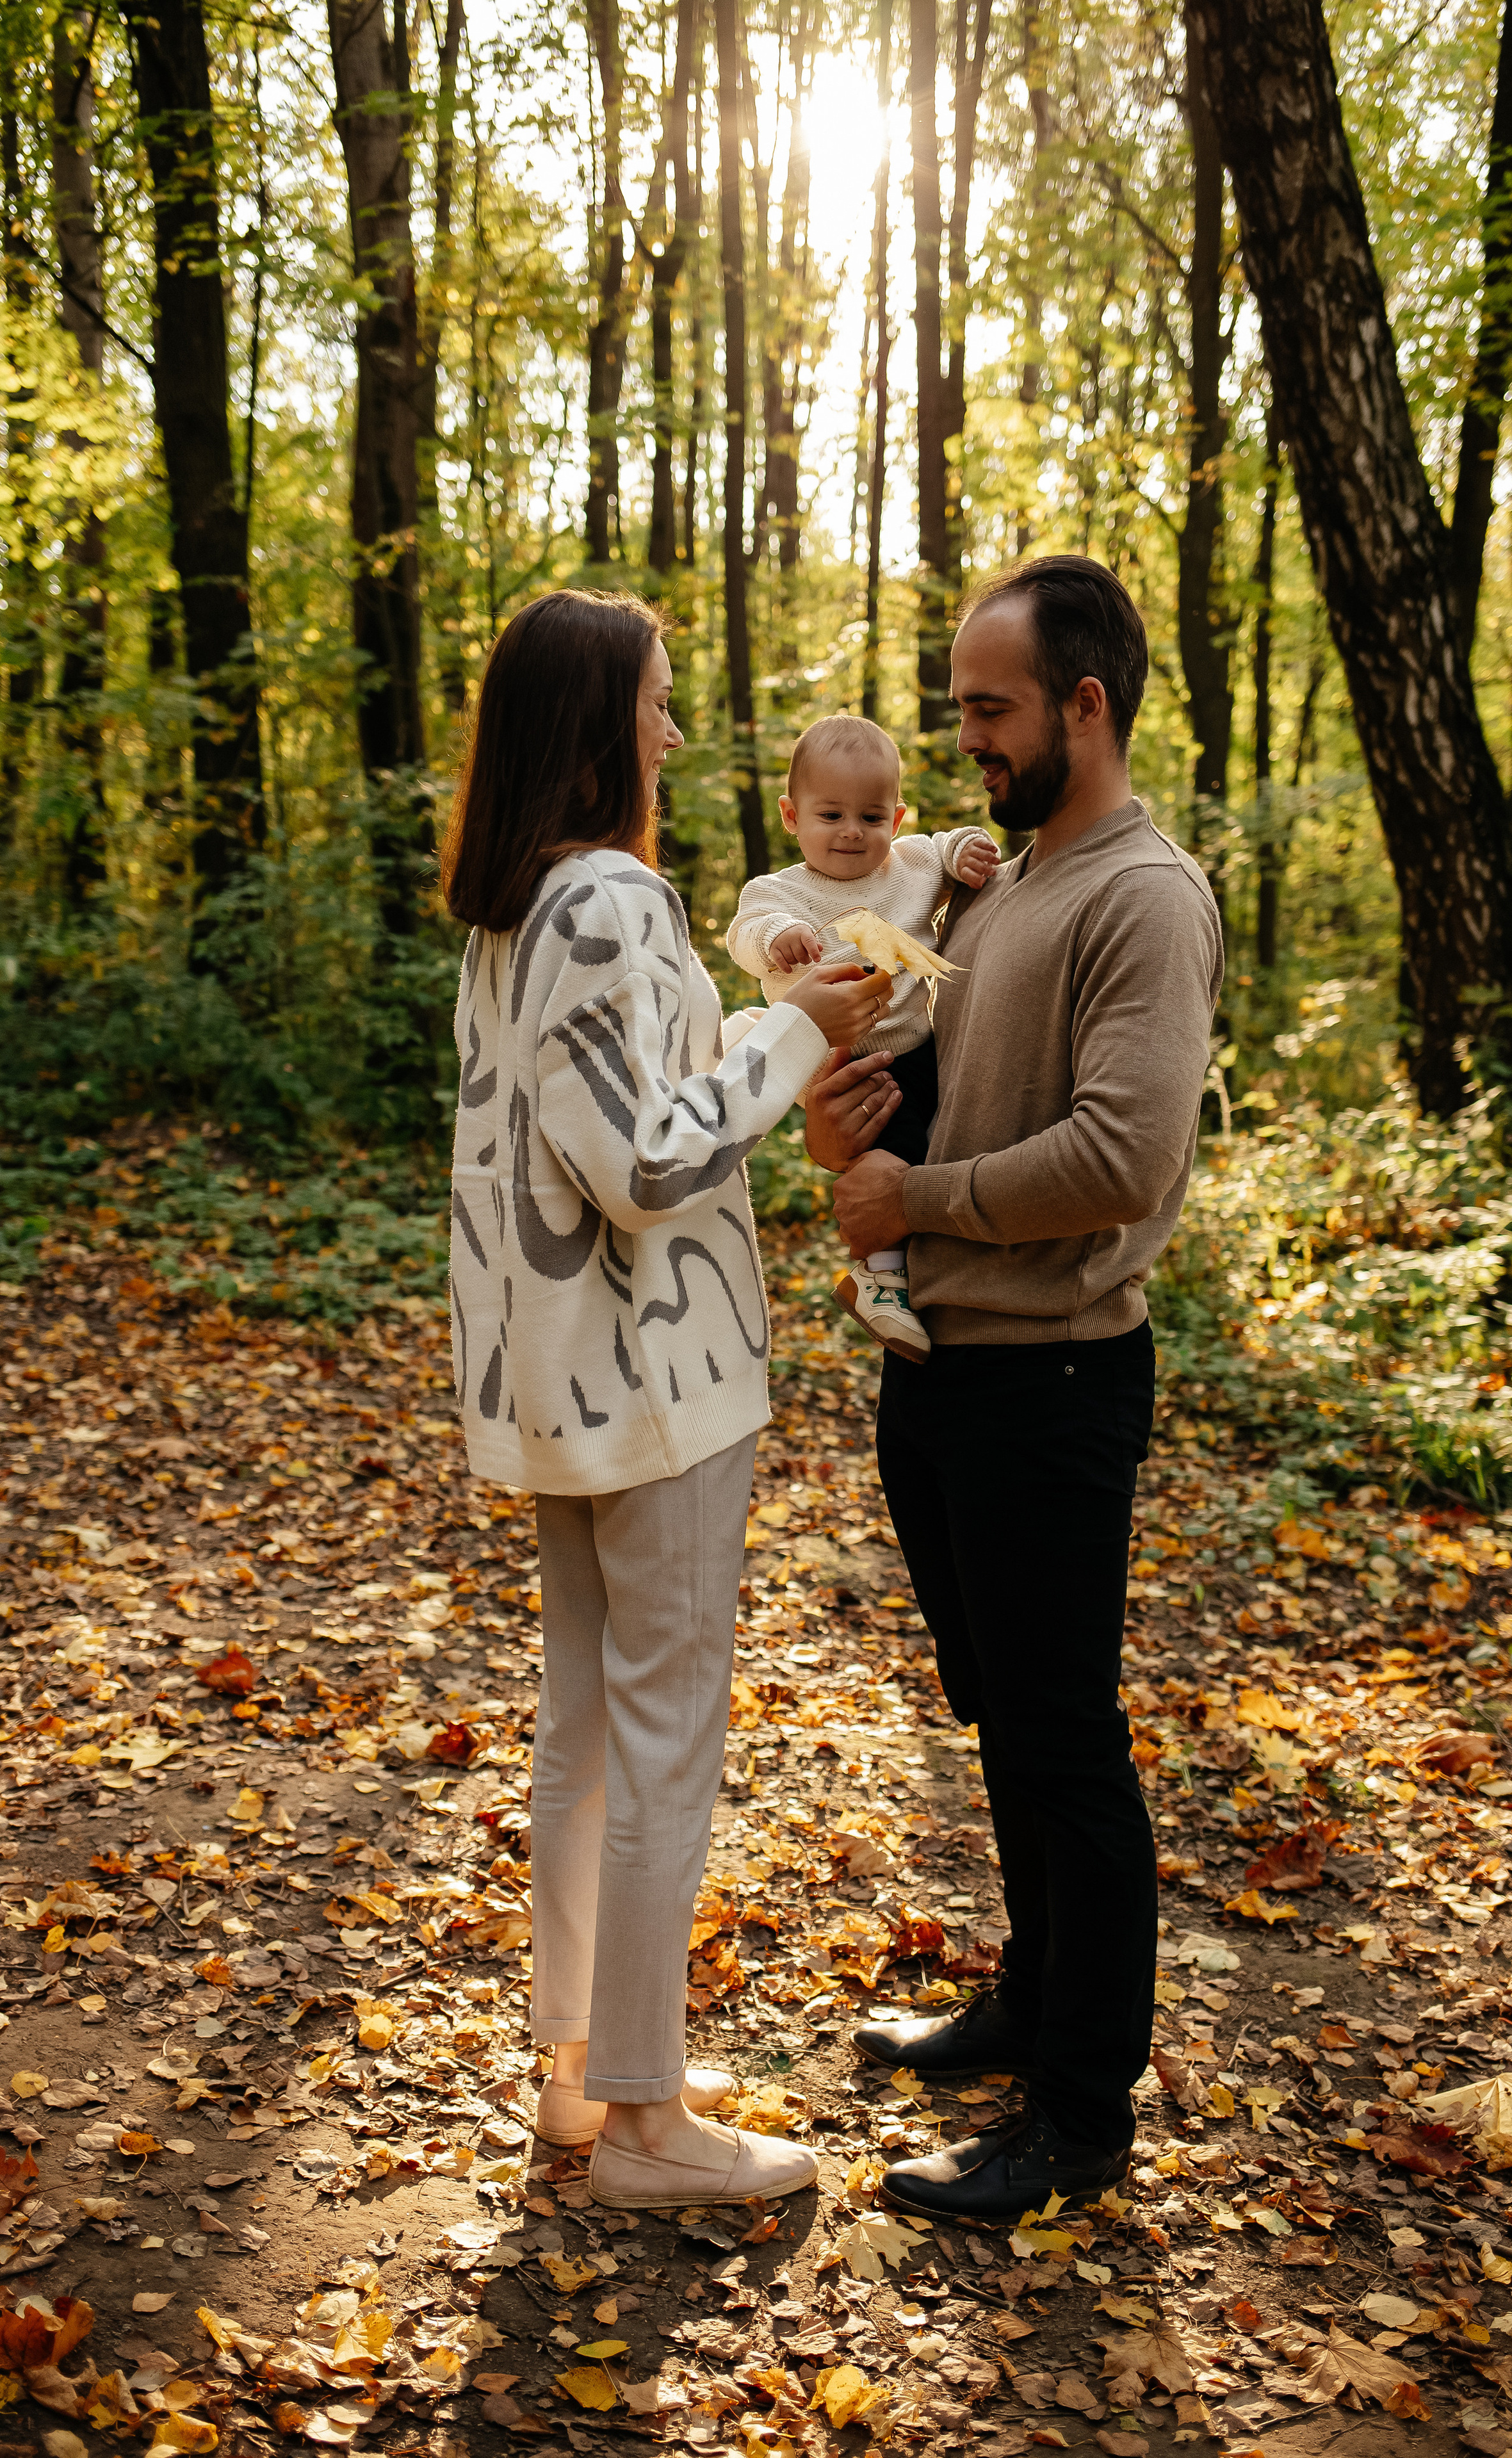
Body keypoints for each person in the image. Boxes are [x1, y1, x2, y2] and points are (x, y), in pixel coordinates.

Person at [443, 587, 891, 2211]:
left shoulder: (514, 905)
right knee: (659, 1745)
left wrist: (770, 1020)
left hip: (563, 1388)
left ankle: (580, 2068)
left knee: (586, 1735)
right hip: (658, 1385)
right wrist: (799, 1027)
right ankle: (642, 2126)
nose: (675, 734)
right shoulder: (610, 900)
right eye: (655, 704)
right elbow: (644, 1165)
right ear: (594, 729)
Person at [802, 555, 1223, 2222]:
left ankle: (1079, 2111)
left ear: (1085, 703)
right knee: (1006, 1720)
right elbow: (935, 1086)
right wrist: (860, 1122)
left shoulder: (1144, 894)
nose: (963, 737)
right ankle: (1028, 1997)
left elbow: (1124, 1155)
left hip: (1055, 1374)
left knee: (1066, 1738)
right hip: (946, 1372)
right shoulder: (998, 883)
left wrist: (919, 1200)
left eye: (989, 707)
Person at [726, 713, 998, 1362]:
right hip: (836, 1058)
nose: (852, 831)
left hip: (916, 1045)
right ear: (792, 817)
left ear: (896, 819)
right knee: (885, 1148)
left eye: (871, 818)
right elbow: (744, 932)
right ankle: (879, 1276)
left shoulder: (909, 866)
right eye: (831, 816)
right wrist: (776, 938)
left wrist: (966, 851)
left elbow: (948, 844)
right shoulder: (780, 891)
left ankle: (901, 1269)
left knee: (933, 1143)